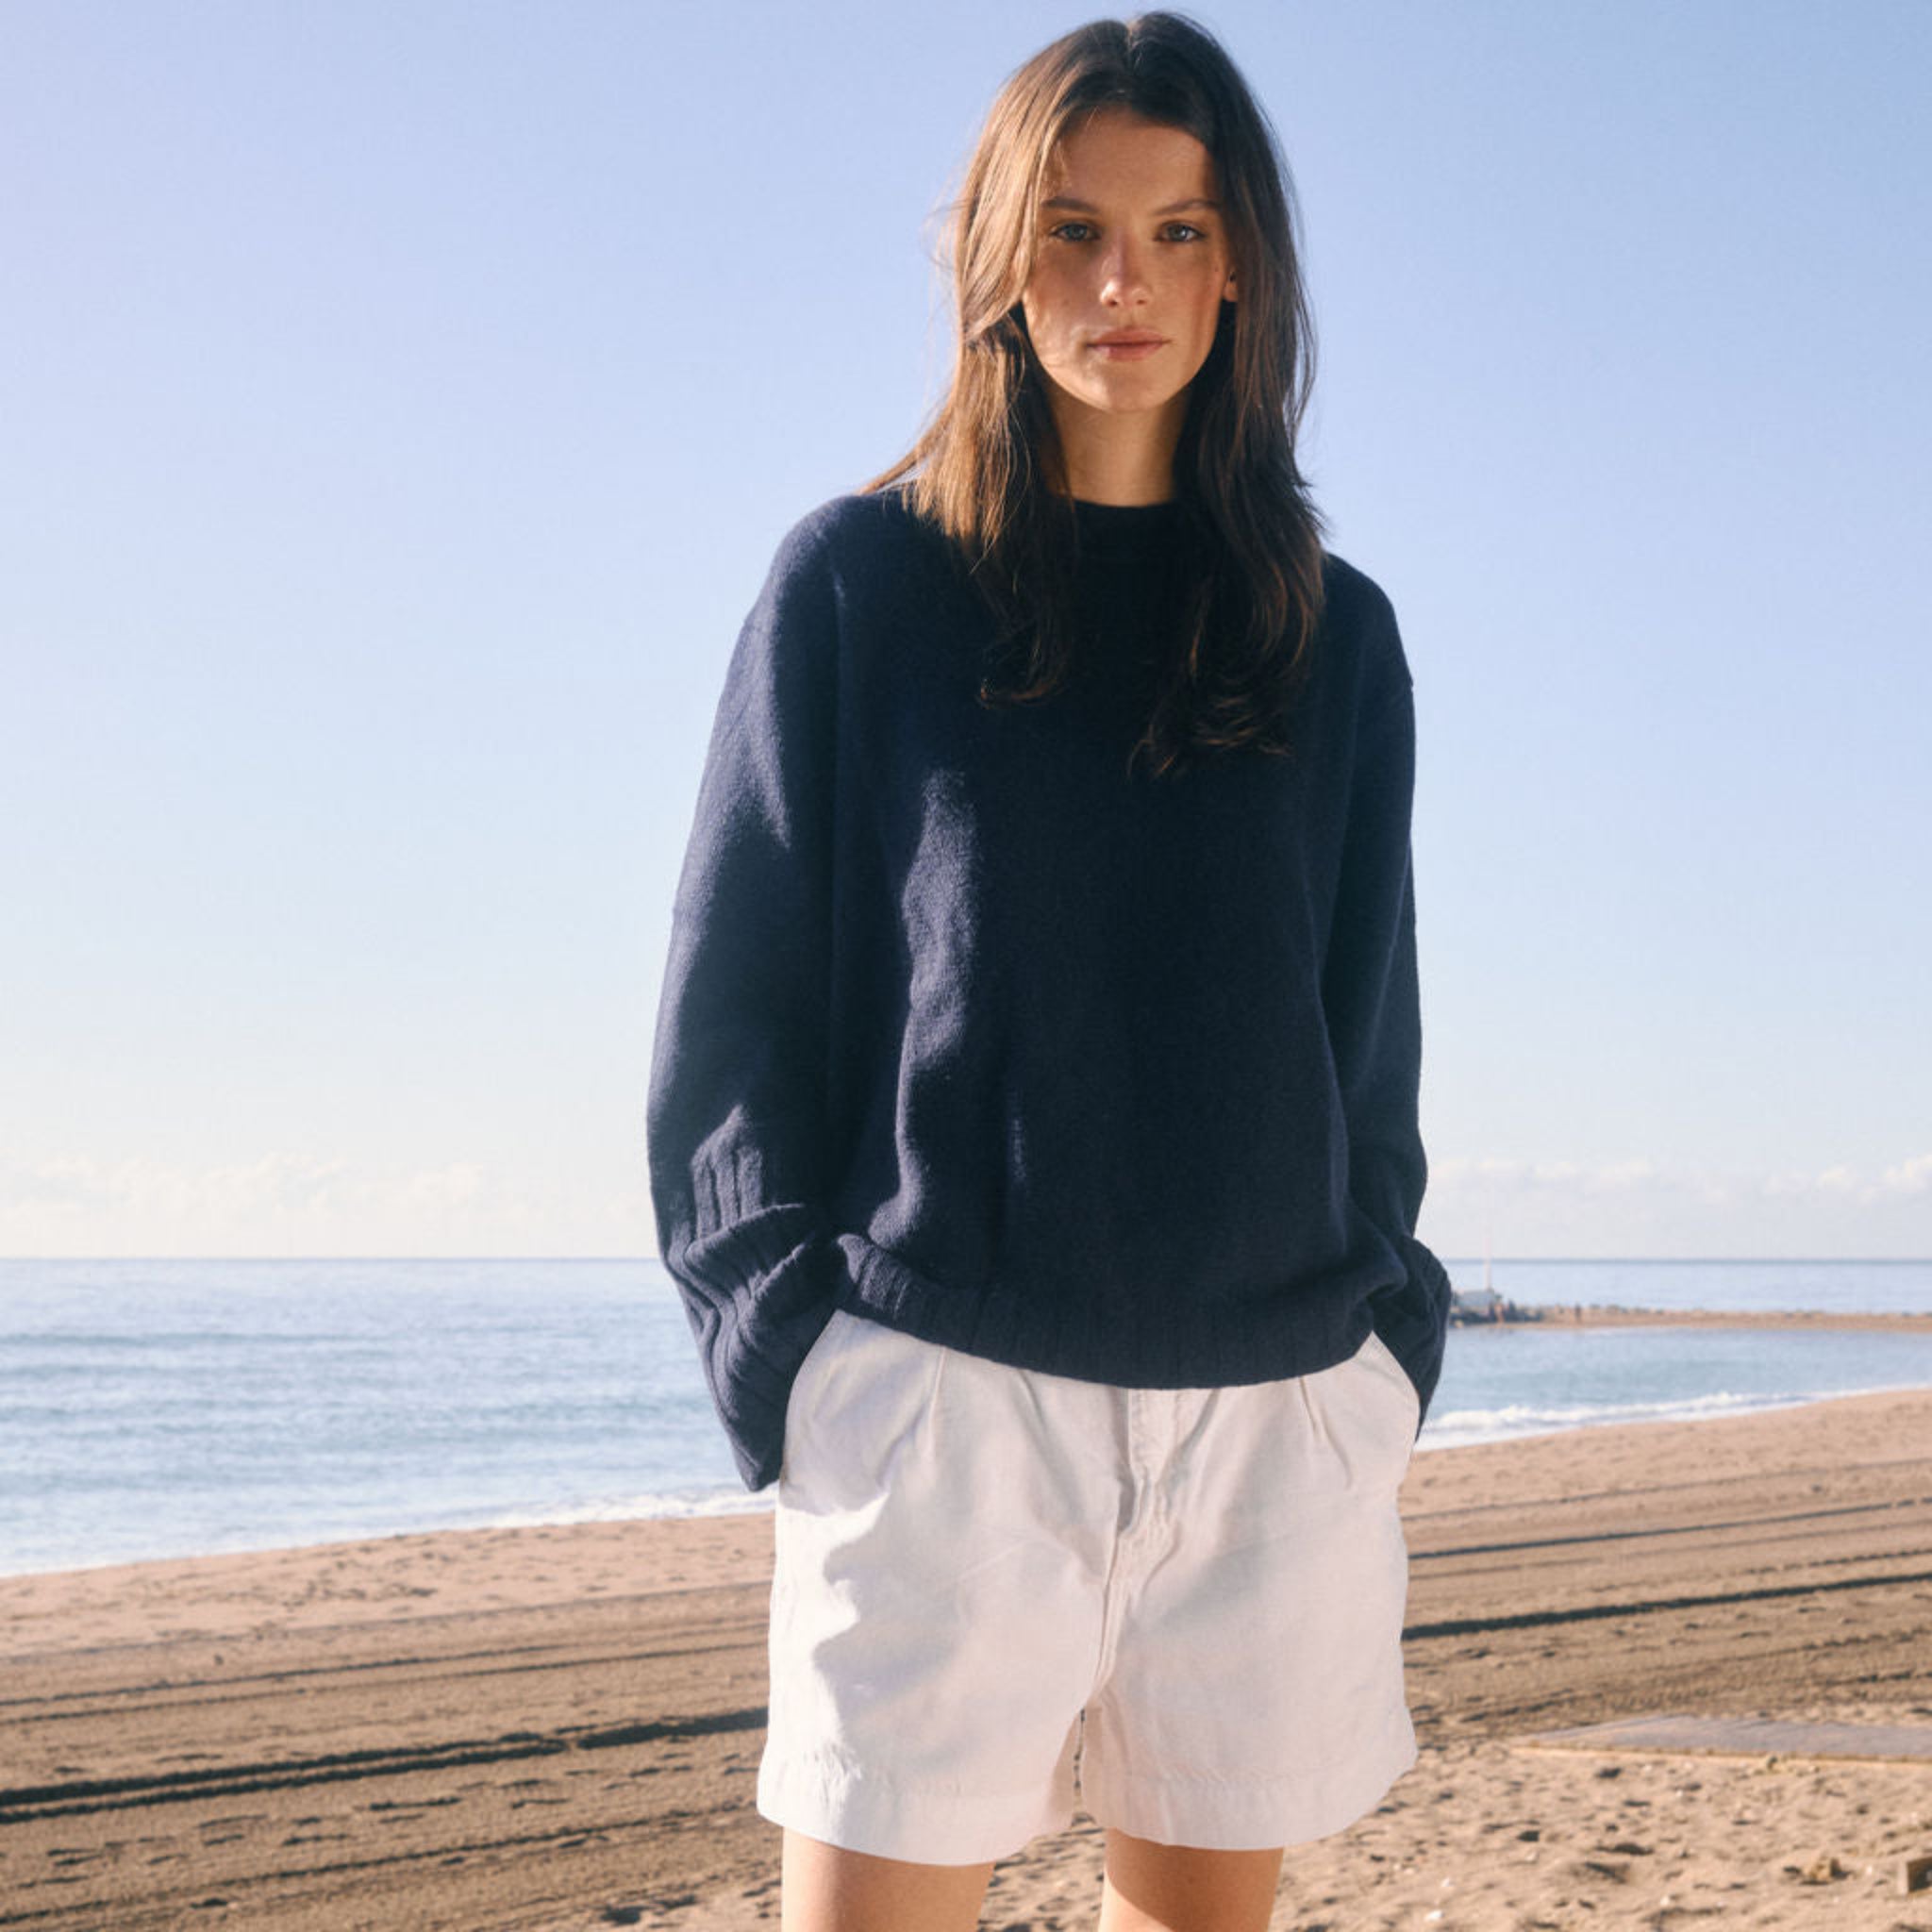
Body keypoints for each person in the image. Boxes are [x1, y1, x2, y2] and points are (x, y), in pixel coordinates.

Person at [645, 13, 1451, 1929]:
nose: (1122, 284)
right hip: (943, 1416)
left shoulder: (1334, 637)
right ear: (1001, 256)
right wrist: (795, 1355)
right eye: (1076, 229)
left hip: (1268, 1421)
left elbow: (1364, 1040)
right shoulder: (859, 588)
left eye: (1178, 232)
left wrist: (1378, 1353)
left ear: (1240, 264)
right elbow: (730, 1011)